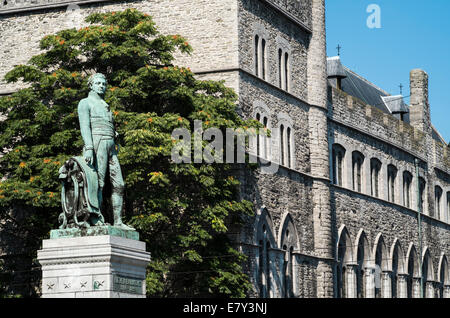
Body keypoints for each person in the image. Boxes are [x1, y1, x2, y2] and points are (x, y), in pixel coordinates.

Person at [77, 73, 134, 230]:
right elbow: (85, 127)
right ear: (91, 85)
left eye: (103, 83)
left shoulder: (104, 104)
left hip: (110, 145)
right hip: (97, 143)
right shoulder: (85, 103)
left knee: (119, 184)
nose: (101, 86)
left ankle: (118, 221)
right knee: (99, 183)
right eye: (98, 83)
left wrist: (114, 133)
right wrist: (88, 147)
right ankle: (96, 218)